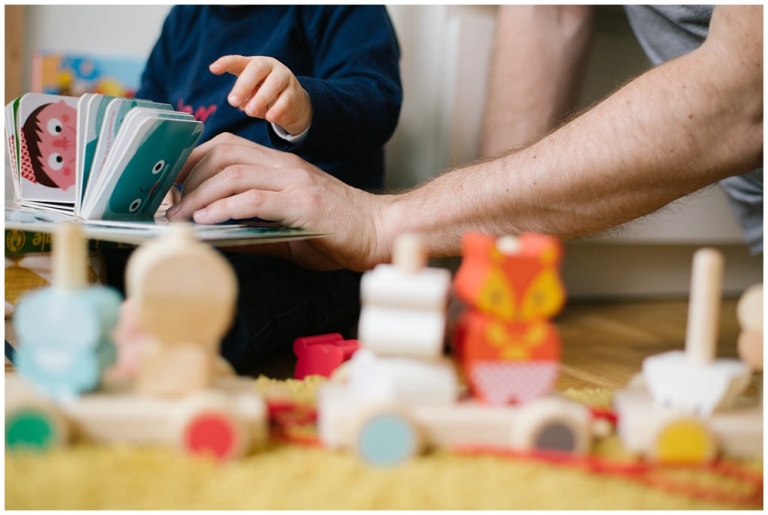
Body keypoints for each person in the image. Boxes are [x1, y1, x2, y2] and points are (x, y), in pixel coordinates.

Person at [166, 5, 762, 274]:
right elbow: (547, 13)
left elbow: (747, 95)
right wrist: (489, 265)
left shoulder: (337, 10)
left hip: (298, 261)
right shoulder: (182, 22)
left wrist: (303, 109)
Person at [104, 5, 402, 375]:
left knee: (236, 300)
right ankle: (113, 326)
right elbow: (148, 114)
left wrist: (304, 105)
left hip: (307, 251)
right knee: (100, 259)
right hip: (194, 235)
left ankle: (173, 349)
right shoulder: (184, 18)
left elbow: (376, 100)